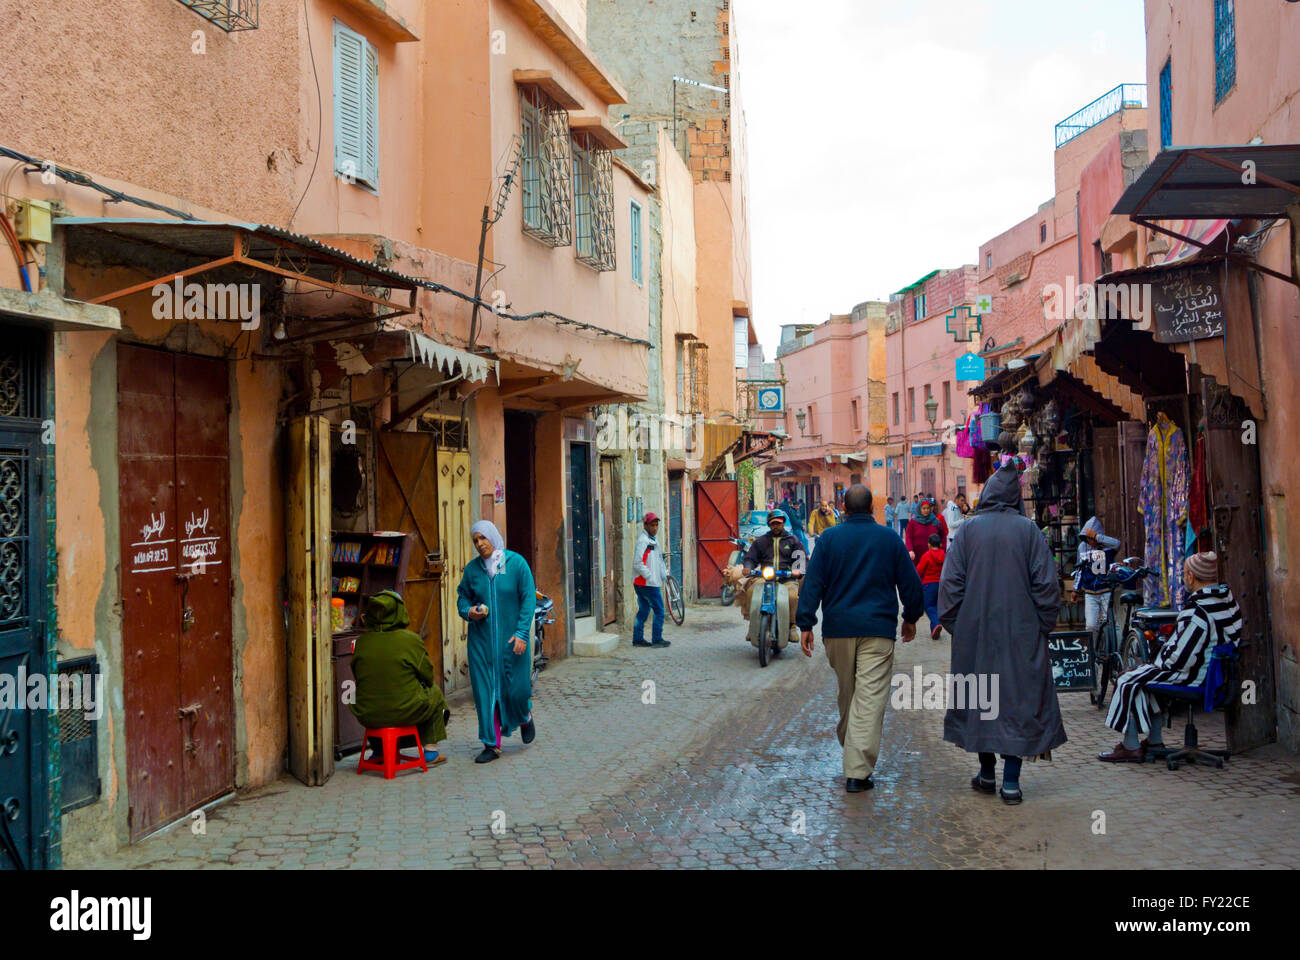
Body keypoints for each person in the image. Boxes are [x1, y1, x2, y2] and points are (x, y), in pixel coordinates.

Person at [938, 462, 1067, 804]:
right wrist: (1042, 625)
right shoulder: (1029, 532)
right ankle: (1010, 782)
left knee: (982, 702)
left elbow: (950, 585)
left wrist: (958, 626)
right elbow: (1046, 586)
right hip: (1021, 634)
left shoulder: (966, 531)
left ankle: (986, 773)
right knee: (1016, 701)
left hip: (975, 633)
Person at [796, 485, 924, 793]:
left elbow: (812, 583)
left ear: (843, 507)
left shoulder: (828, 540)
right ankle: (856, 751)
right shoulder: (889, 539)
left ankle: (856, 769)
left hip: (837, 631)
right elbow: (911, 584)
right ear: (872, 509)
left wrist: (806, 623)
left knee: (851, 695)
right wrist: (910, 618)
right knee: (865, 700)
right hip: (878, 631)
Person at [1100, 552, 1243, 762]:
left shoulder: (1197, 612)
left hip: (1195, 677)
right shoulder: (1229, 604)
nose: (1185, 578)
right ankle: (1154, 740)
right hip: (1216, 676)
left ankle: (1130, 746)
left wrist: (1153, 664)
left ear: (1192, 577)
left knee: (1127, 679)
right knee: (1142, 675)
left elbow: (1178, 658)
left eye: (1185, 574)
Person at [457, 520, 537, 764]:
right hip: (481, 644)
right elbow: (462, 598)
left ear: (493, 536)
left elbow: (528, 598)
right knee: (485, 693)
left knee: (518, 690)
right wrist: (470, 611)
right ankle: (491, 745)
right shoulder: (472, 570)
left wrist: (523, 633)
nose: (480, 544)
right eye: (476, 540)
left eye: (483, 538)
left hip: (513, 641)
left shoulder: (515, 564)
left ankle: (524, 714)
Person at [351, 589, 450, 767]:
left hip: (367, 713)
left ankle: (379, 751)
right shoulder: (410, 640)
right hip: (405, 712)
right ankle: (430, 751)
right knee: (434, 693)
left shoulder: (362, 642)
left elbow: (357, 675)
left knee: (377, 699)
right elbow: (427, 676)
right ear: (400, 612)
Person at [730, 509, 804, 646]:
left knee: (793, 596)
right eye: (773, 523)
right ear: (769, 525)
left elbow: (800, 557)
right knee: (751, 591)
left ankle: (792, 626)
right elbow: (750, 557)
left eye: (778, 523)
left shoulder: (793, 540)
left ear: (783, 523)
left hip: (786, 577)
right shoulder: (761, 541)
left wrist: (797, 570)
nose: (776, 526)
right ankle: (753, 624)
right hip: (764, 576)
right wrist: (748, 566)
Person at [1071, 516, 1121, 653]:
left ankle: (1116, 652)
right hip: (1090, 593)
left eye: (1092, 537)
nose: (1090, 541)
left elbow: (1117, 543)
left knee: (1111, 624)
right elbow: (1079, 569)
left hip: (1106, 590)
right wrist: (1075, 589)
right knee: (1091, 626)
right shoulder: (1082, 547)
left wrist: (1098, 537)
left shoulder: (1107, 547)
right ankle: (1092, 654)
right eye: (1088, 538)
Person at [632, 512, 671, 649]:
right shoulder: (643, 540)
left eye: (656, 525)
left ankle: (637, 639)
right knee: (659, 610)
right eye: (652, 525)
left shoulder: (652, 540)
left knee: (643, 610)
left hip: (645, 582)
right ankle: (657, 638)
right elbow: (638, 563)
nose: (655, 528)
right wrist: (650, 576)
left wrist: (663, 574)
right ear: (645, 525)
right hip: (646, 583)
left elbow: (658, 560)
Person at [916, 533, 946, 640]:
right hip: (941, 584)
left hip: (929, 584)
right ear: (940, 544)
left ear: (928, 544)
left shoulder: (927, 555)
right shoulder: (944, 555)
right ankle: (934, 630)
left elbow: (919, 571)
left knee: (928, 606)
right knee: (936, 606)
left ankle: (937, 623)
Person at [904, 496, 948, 566]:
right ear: (919, 509)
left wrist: (942, 550)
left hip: (933, 557)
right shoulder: (913, 522)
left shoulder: (936, 522)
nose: (926, 510)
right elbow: (908, 536)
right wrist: (910, 550)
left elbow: (943, 536)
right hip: (917, 556)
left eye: (928, 508)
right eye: (924, 508)